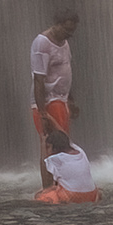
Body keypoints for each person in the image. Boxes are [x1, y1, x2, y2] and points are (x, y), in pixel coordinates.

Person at [28, 13, 81, 186]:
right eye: (66, 30)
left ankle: (61, 184)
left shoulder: (64, 42)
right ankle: (48, 187)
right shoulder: (42, 43)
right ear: (57, 24)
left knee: (63, 144)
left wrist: (70, 100)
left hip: (61, 99)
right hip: (48, 101)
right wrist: (42, 113)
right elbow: (38, 79)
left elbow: (67, 72)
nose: (68, 34)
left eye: (71, 31)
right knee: (49, 144)